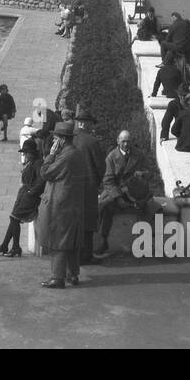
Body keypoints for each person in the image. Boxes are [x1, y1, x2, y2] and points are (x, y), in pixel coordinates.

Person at [35, 121, 88, 289]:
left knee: (58, 241)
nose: (53, 142)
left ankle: (57, 278)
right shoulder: (77, 154)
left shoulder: (65, 156)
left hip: (61, 206)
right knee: (71, 242)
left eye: (55, 139)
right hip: (74, 204)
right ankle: (73, 274)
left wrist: (50, 155)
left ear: (62, 140)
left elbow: (45, 172)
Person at [95, 131, 153, 259]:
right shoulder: (111, 157)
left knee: (150, 207)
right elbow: (108, 181)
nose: (126, 144)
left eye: (128, 141)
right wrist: (119, 197)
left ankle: (148, 242)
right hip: (115, 191)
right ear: (118, 141)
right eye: (123, 141)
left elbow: (150, 172)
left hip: (134, 191)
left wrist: (142, 174)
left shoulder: (139, 155)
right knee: (105, 208)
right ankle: (103, 240)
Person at [0, 139, 46, 257]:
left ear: (32, 152)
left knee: (14, 218)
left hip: (30, 196)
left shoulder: (37, 163)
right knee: (13, 218)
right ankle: (5, 246)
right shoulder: (30, 162)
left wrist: (31, 192)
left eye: (26, 153)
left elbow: (41, 181)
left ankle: (15, 247)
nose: (25, 155)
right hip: (23, 194)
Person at [71, 109, 107, 264]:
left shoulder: (69, 139)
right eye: (91, 123)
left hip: (70, 187)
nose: (92, 126)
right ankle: (86, 255)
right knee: (88, 222)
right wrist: (97, 182)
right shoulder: (91, 141)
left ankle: (73, 256)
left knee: (73, 222)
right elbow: (101, 166)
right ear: (84, 123)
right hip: (88, 187)